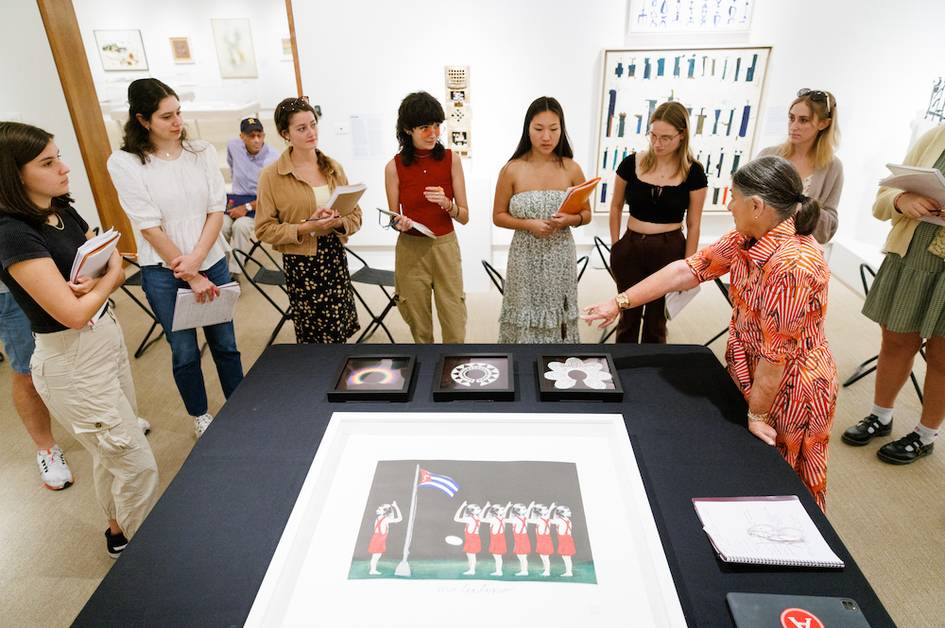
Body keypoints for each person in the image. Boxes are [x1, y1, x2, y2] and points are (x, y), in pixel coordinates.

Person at [584, 156, 838, 511]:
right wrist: (620, 301)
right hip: (759, 376)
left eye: (733, 197)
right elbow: (688, 270)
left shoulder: (791, 265)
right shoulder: (749, 237)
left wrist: (758, 415)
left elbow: (774, 354)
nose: (729, 205)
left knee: (784, 485)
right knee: (748, 477)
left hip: (790, 389)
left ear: (756, 205)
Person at [0, 121, 159, 556]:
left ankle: (118, 531)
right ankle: (152, 561)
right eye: (48, 163)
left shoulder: (61, 209)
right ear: (14, 174)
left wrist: (104, 280)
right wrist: (107, 281)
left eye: (59, 156)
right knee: (136, 463)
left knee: (111, 452)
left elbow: (110, 260)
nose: (65, 169)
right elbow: (72, 312)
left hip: (103, 338)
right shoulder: (12, 232)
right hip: (70, 359)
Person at [107, 78, 243, 438]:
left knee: (226, 343)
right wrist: (189, 272)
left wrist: (198, 259)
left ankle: (241, 405)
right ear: (143, 120)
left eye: (178, 112)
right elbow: (149, 225)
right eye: (166, 116)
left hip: (210, 259)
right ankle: (200, 415)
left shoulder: (199, 151)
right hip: (163, 271)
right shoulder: (125, 163)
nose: (177, 122)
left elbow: (217, 208)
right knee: (183, 350)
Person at [841, 124, 945, 465]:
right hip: (913, 256)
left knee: (943, 358)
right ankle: (880, 416)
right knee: (896, 341)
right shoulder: (936, 136)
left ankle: (925, 435)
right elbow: (883, 200)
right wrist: (903, 200)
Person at [255, 97, 362, 343]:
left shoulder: (333, 167)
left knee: (338, 331)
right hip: (301, 264)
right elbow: (263, 229)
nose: (311, 132)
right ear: (286, 134)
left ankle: (337, 378)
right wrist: (306, 227)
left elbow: (355, 215)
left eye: (313, 124)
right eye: (302, 128)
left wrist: (337, 222)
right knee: (314, 338)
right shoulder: (271, 176)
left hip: (333, 256)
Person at [608, 101, 707, 343]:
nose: (657, 143)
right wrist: (616, 244)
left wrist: (689, 265)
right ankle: (621, 369)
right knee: (627, 314)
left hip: (669, 248)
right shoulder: (631, 163)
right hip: (630, 245)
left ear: (681, 136)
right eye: (653, 135)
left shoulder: (694, 172)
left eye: (665, 138)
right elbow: (616, 206)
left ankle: (650, 372)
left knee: (656, 319)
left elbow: (694, 223)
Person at [493, 96, 590, 343]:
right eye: (538, 129)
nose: (546, 137)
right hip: (524, 255)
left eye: (553, 129)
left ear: (562, 130)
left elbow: (586, 215)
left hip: (560, 254)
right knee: (523, 308)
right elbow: (498, 216)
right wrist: (529, 224)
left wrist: (568, 219)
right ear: (528, 129)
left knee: (558, 310)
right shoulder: (511, 169)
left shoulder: (572, 168)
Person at [384, 91, 470, 344]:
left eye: (436, 125)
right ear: (408, 129)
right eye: (424, 127)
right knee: (419, 325)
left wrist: (447, 204)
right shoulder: (394, 167)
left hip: (445, 247)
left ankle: (454, 373)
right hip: (411, 250)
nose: (433, 132)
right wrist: (399, 222)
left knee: (454, 320)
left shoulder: (451, 160)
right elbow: (393, 218)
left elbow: (464, 216)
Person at [1, 279, 74, 489]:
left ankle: (107, 421)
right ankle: (47, 450)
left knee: (79, 354)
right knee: (28, 372)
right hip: (8, 290)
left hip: (54, 273)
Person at [758, 88, 842, 244]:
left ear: (823, 123)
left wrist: (804, 208)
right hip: (759, 246)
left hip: (798, 256)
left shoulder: (832, 167)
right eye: (791, 118)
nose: (793, 126)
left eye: (803, 120)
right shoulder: (767, 156)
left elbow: (829, 227)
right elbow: (745, 201)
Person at [222, 117, 278, 276]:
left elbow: (274, 196)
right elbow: (232, 166)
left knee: (240, 227)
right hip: (236, 199)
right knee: (221, 226)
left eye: (259, 135)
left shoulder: (273, 159)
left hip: (260, 203)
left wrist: (247, 207)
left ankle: (234, 273)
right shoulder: (233, 146)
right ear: (242, 137)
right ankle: (221, 271)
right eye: (251, 136)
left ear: (264, 136)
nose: (256, 140)